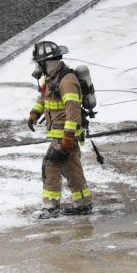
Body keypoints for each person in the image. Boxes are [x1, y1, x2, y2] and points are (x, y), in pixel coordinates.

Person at [26, 39, 91, 217]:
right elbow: (44, 99)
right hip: (62, 135)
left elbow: (73, 108)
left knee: (50, 166)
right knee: (72, 170)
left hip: (65, 135)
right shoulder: (52, 78)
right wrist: (34, 114)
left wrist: (68, 137)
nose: (38, 67)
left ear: (45, 62)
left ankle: (51, 207)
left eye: (39, 63)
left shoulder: (67, 80)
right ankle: (84, 204)